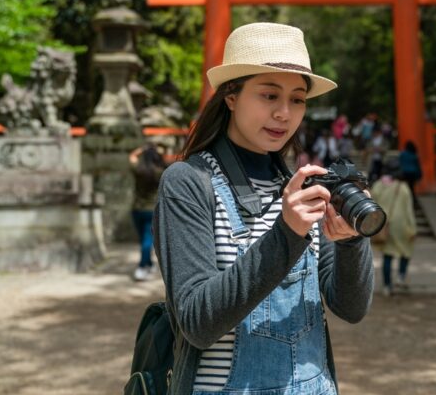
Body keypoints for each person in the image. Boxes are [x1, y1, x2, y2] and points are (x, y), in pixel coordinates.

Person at [153, 22, 374, 394]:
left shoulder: (302, 187)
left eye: (297, 99)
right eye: (269, 96)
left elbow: (351, 309)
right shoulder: (187, 182)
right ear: (231, 96)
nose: (284, 114)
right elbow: (197, 321)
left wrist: (351, 242)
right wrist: (286, 234)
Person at [370, 159, 416, 297]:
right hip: (401, 224)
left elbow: (372, 204)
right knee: (406, 250)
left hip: (385, 224)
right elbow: (409, 210)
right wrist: (412, 228)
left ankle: (387, 286)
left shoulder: (378, 185)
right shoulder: (403, 187)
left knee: (388, 254)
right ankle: (401, 276)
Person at [129, 142, 166, 281]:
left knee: (144, 240)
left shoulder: (139, 169)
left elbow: (132, 156)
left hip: (136, 209)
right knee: (147, 240)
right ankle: (143, 266)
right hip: (153, 211)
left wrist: (142, 148)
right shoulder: (160, 172)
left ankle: (148, 265)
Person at [398, 140, 422, 206]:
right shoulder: (414, 155)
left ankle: (405, 201)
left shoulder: (403, 154)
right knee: (411, 187)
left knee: (405, 188)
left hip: (404, 173)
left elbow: (400, 163)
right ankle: (413, 201)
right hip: (412, 174)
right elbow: (417, 166)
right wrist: (419, 175)